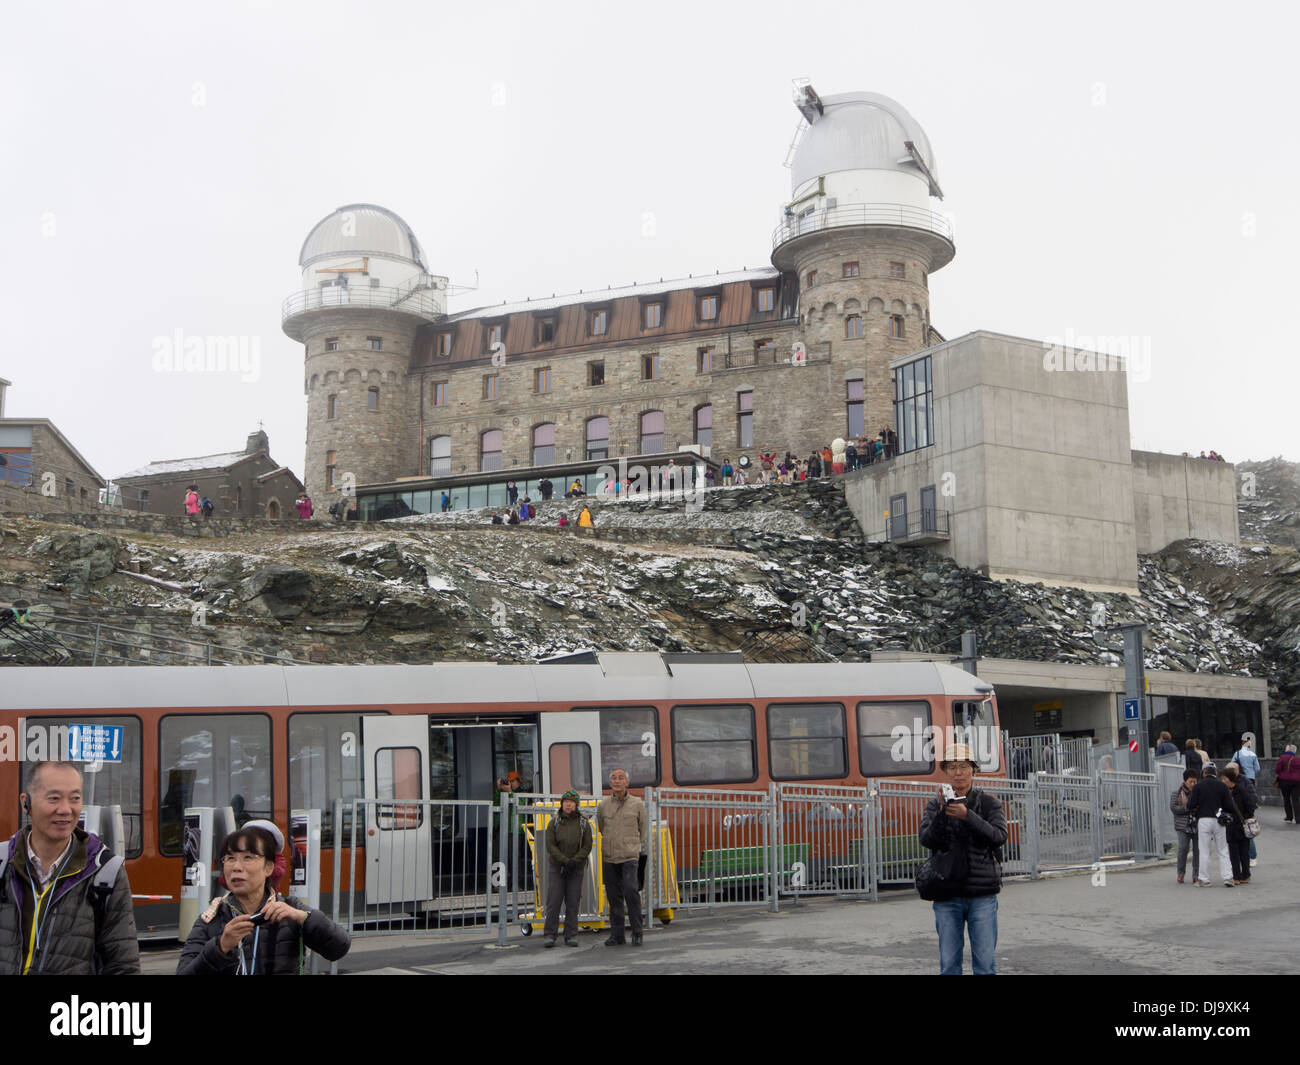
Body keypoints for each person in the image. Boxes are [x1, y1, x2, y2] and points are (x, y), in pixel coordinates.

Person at [0, 761, 140, 975]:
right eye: (54, 798)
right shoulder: (2, 864)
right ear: (26, 802)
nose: (66, 810)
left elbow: (123, 966)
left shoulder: (105, 872)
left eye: (75, 798)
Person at [178, 821, 350, 974]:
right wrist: (221, 947)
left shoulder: (289, 908)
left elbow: (338, 948)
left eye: (248, 858)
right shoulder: (211, 918)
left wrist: (303, 918)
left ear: (269, 868)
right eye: (230, 858)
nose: (237, 867)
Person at [917, 743, 1007, 975]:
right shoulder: (935, 804)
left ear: (974, 770)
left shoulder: (989, 804)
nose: (958, 772)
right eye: (953, 767)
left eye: (964, 766)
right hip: (946, 893)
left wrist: (969, 817)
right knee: (949, 965)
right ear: (945, 772)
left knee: (985, 965)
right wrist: (940, 814)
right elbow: (927, 840)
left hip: (982, 894)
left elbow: (998, 836)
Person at [597, 768, 645, 946]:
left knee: (631, 892)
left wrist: (633, 846)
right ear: (610, 783)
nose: (617, 781)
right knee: (613, 896)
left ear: (627, 782)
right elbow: (601, 827)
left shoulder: (637, 803)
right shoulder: (603, 805)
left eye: (621, 778)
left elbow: (643, 829)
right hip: (610, 857)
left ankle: (637, 931)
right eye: (614, 778)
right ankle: (617, 935)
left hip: (629, 856)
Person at [543, 790, 593, 948]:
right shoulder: (554, 822)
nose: (568, 804)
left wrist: (574, 862)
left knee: (573, 902)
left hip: (576, 869)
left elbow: (587, 846)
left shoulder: (584, 824)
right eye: (566, 801)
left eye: (572, 802)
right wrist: (565, 861)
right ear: (562, 804)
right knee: (554, 901)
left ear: (576, 805)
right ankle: (550, 935)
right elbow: (550, 846)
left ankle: (570, 935)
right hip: (557, 868)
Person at [1186, 763, 1236, 887]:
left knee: (1204, 850)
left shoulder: (1198, 786)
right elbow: (1230, 806)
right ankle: (1228, 877)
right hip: (1219, 820)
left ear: (1204, 772)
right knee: (1223, 850)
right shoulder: (1222, 786)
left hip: (1203, 819)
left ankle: (1204, 879)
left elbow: (1190, 805)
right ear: (1215, 772)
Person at [1221, 765, 1254, 885]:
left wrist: (1244, 818)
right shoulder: (1224, 792)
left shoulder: (1241, 791)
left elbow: (1250, 807)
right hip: (1230, 826)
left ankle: (1246, 874)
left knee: (1244, 852)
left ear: (1230, 778)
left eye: (1224, 778)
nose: (1222, 781)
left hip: (1241, 826)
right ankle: (1236, 876)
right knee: (1233, 852)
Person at [1170, 767, 1201, 884]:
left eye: (1194, 781)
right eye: (1190, 782)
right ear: (1185, 781)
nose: (1193, 784)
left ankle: (1196, 875)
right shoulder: (1176, 793)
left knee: (1197, 850)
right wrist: (1187, 808)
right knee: (1183, 849)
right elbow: (1174, 808)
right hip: (1182, 826)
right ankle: (1181, 873)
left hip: (1196, 824)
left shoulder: (1199, 792)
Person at [1276, 743, 1300, 823]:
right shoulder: (1298, 759)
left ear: (1288, 750)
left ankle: (1289, 817)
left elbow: (1277, 769)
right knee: (1295, 800)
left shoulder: (1283, 758)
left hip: (1284, 782)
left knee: (1286, 799)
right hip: (1297, 782)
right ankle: (1298, 818)